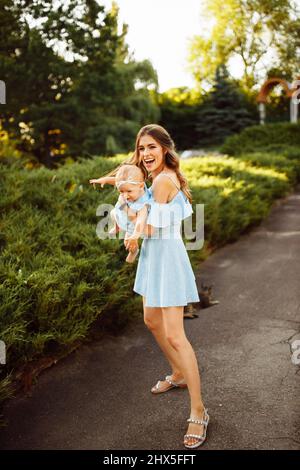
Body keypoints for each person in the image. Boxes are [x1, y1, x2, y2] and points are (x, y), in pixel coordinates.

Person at [91, 124, 209, 449]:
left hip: (167, 260)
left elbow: (148, 219)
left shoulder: (161, 180)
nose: (145, 154)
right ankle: (179, 374)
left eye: (152, 147)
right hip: (154, 257)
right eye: (142, 148)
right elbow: (139, 208)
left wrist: (133, 231)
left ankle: (199, 411)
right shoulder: (160, 176)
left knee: (175, 335)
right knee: (151, 321)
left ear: (166, 149)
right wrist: (127, 220)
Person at [89, 164, 152, 263]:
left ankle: (134, 252)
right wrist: (105, 179)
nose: (125, 195)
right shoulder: (134, 186)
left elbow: (140, 222)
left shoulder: (143, 204)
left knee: (127, 241)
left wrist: (134, 237)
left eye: (128, 191)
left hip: (133, 225)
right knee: (113, 213)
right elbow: (119, 182)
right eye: (121, 192)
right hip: (123, 215)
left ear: (141, 186)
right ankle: (117, 226)